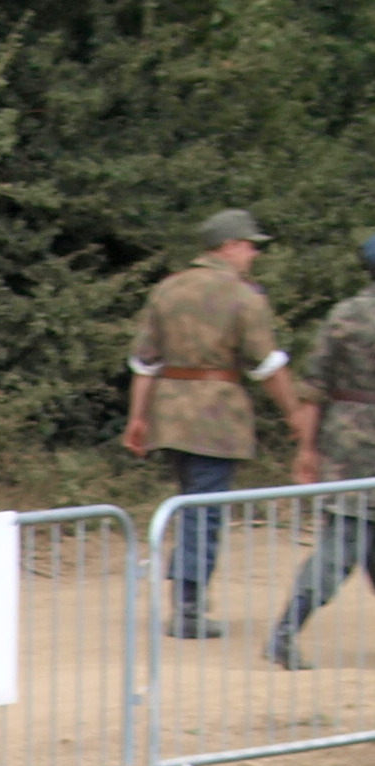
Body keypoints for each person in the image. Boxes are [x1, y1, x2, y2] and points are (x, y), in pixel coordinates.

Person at [124, 208, 310, 638]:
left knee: (191, 500)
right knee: (204, 508)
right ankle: (188, 607)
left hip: (169, 413)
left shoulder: (167, 290)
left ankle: (187, 597)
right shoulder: (243, 296)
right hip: (216, 416)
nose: (252, 255)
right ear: (228, 246)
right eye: (249, 246)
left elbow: (144, 363)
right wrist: (294, 413)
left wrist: (137, 418)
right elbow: (267, 364)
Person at [267, 235, 375, 669]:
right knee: (342, 549)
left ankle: (287, 630)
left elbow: (314, 389)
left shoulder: (343, 315)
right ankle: (284, 633)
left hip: (344, 440)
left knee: (345, 541)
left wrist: (307, 450)